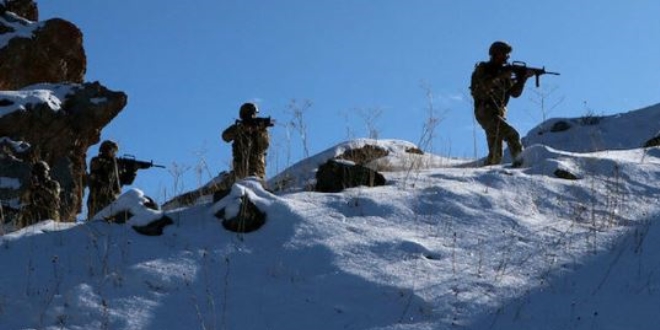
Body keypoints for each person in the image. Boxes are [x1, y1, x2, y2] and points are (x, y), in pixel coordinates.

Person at [470, 41, 534, 167]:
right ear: (495, 54)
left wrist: (523, 79)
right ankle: (520, 166)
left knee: (495, 156)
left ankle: (483, 175)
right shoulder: (483, 69)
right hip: (485, 111)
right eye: (504, 54)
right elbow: (485, 86)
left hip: (497, 114)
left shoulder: (505, 73)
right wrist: (501, 76)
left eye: (507, 54)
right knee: (513, 135)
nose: (507, 57)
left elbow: (514, 93)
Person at [222, 102, 271, 182]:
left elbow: (265, 145)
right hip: (240, 169)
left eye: (254, 114)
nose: (253, 117)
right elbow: (225, 137)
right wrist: (240, 129)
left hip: (257, 170)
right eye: (250, 114)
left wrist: (259, 130)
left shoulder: (260, 129)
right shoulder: (238, 128)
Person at [87, 140, 123, 218]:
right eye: (112, 150)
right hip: (97, 197)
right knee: (94, 220)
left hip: (110, 197)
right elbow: (97, 168)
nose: (114, 153)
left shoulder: (114, 164)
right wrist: (112, 164)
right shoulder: (96, 160)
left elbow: (118, 183)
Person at [19, 160, 61, 227]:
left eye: (39, 173)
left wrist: (40, 188)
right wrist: (31, 190)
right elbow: (24, 201)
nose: (37, 176)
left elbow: (53, 197)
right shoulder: (33, 188)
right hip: (35, 221)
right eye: (35, 174)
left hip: (50, 219)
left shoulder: (53, 184)